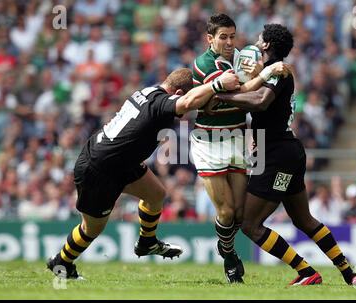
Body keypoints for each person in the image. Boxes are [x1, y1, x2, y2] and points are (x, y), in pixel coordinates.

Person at [210, 24, 356, 286]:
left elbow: (261, 102)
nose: (256, 41)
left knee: (250, 224)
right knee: (303, 220)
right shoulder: (270, 73)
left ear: (266, 45)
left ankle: (306, 271)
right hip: (284, 150)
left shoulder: (279, 72)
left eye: (260, 38)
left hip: (276, 155)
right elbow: (256, 95)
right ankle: (348, 274)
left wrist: (223, 96)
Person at [46, 67, 241, 279]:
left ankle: (147, 243)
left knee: (156, 194)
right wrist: (216, 85)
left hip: (120, 161)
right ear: (177, 94)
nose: (187, 110)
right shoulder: (162, 102)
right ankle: (62, 263)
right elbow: (185, 103)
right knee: (91, 229)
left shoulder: (148, 92)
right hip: (100, 168)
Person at [190, 13, 289, 283]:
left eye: (232, 36)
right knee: (226, 212)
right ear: (210, 39)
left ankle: (224, 245)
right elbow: (242, 87)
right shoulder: (204, 64)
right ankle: (229, 255)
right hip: (209, 144)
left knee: (241, 214)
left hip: (236, 138)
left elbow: (246, 89)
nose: (229, 42)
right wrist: (269, 70)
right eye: (223, 37)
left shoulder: (240, 56)